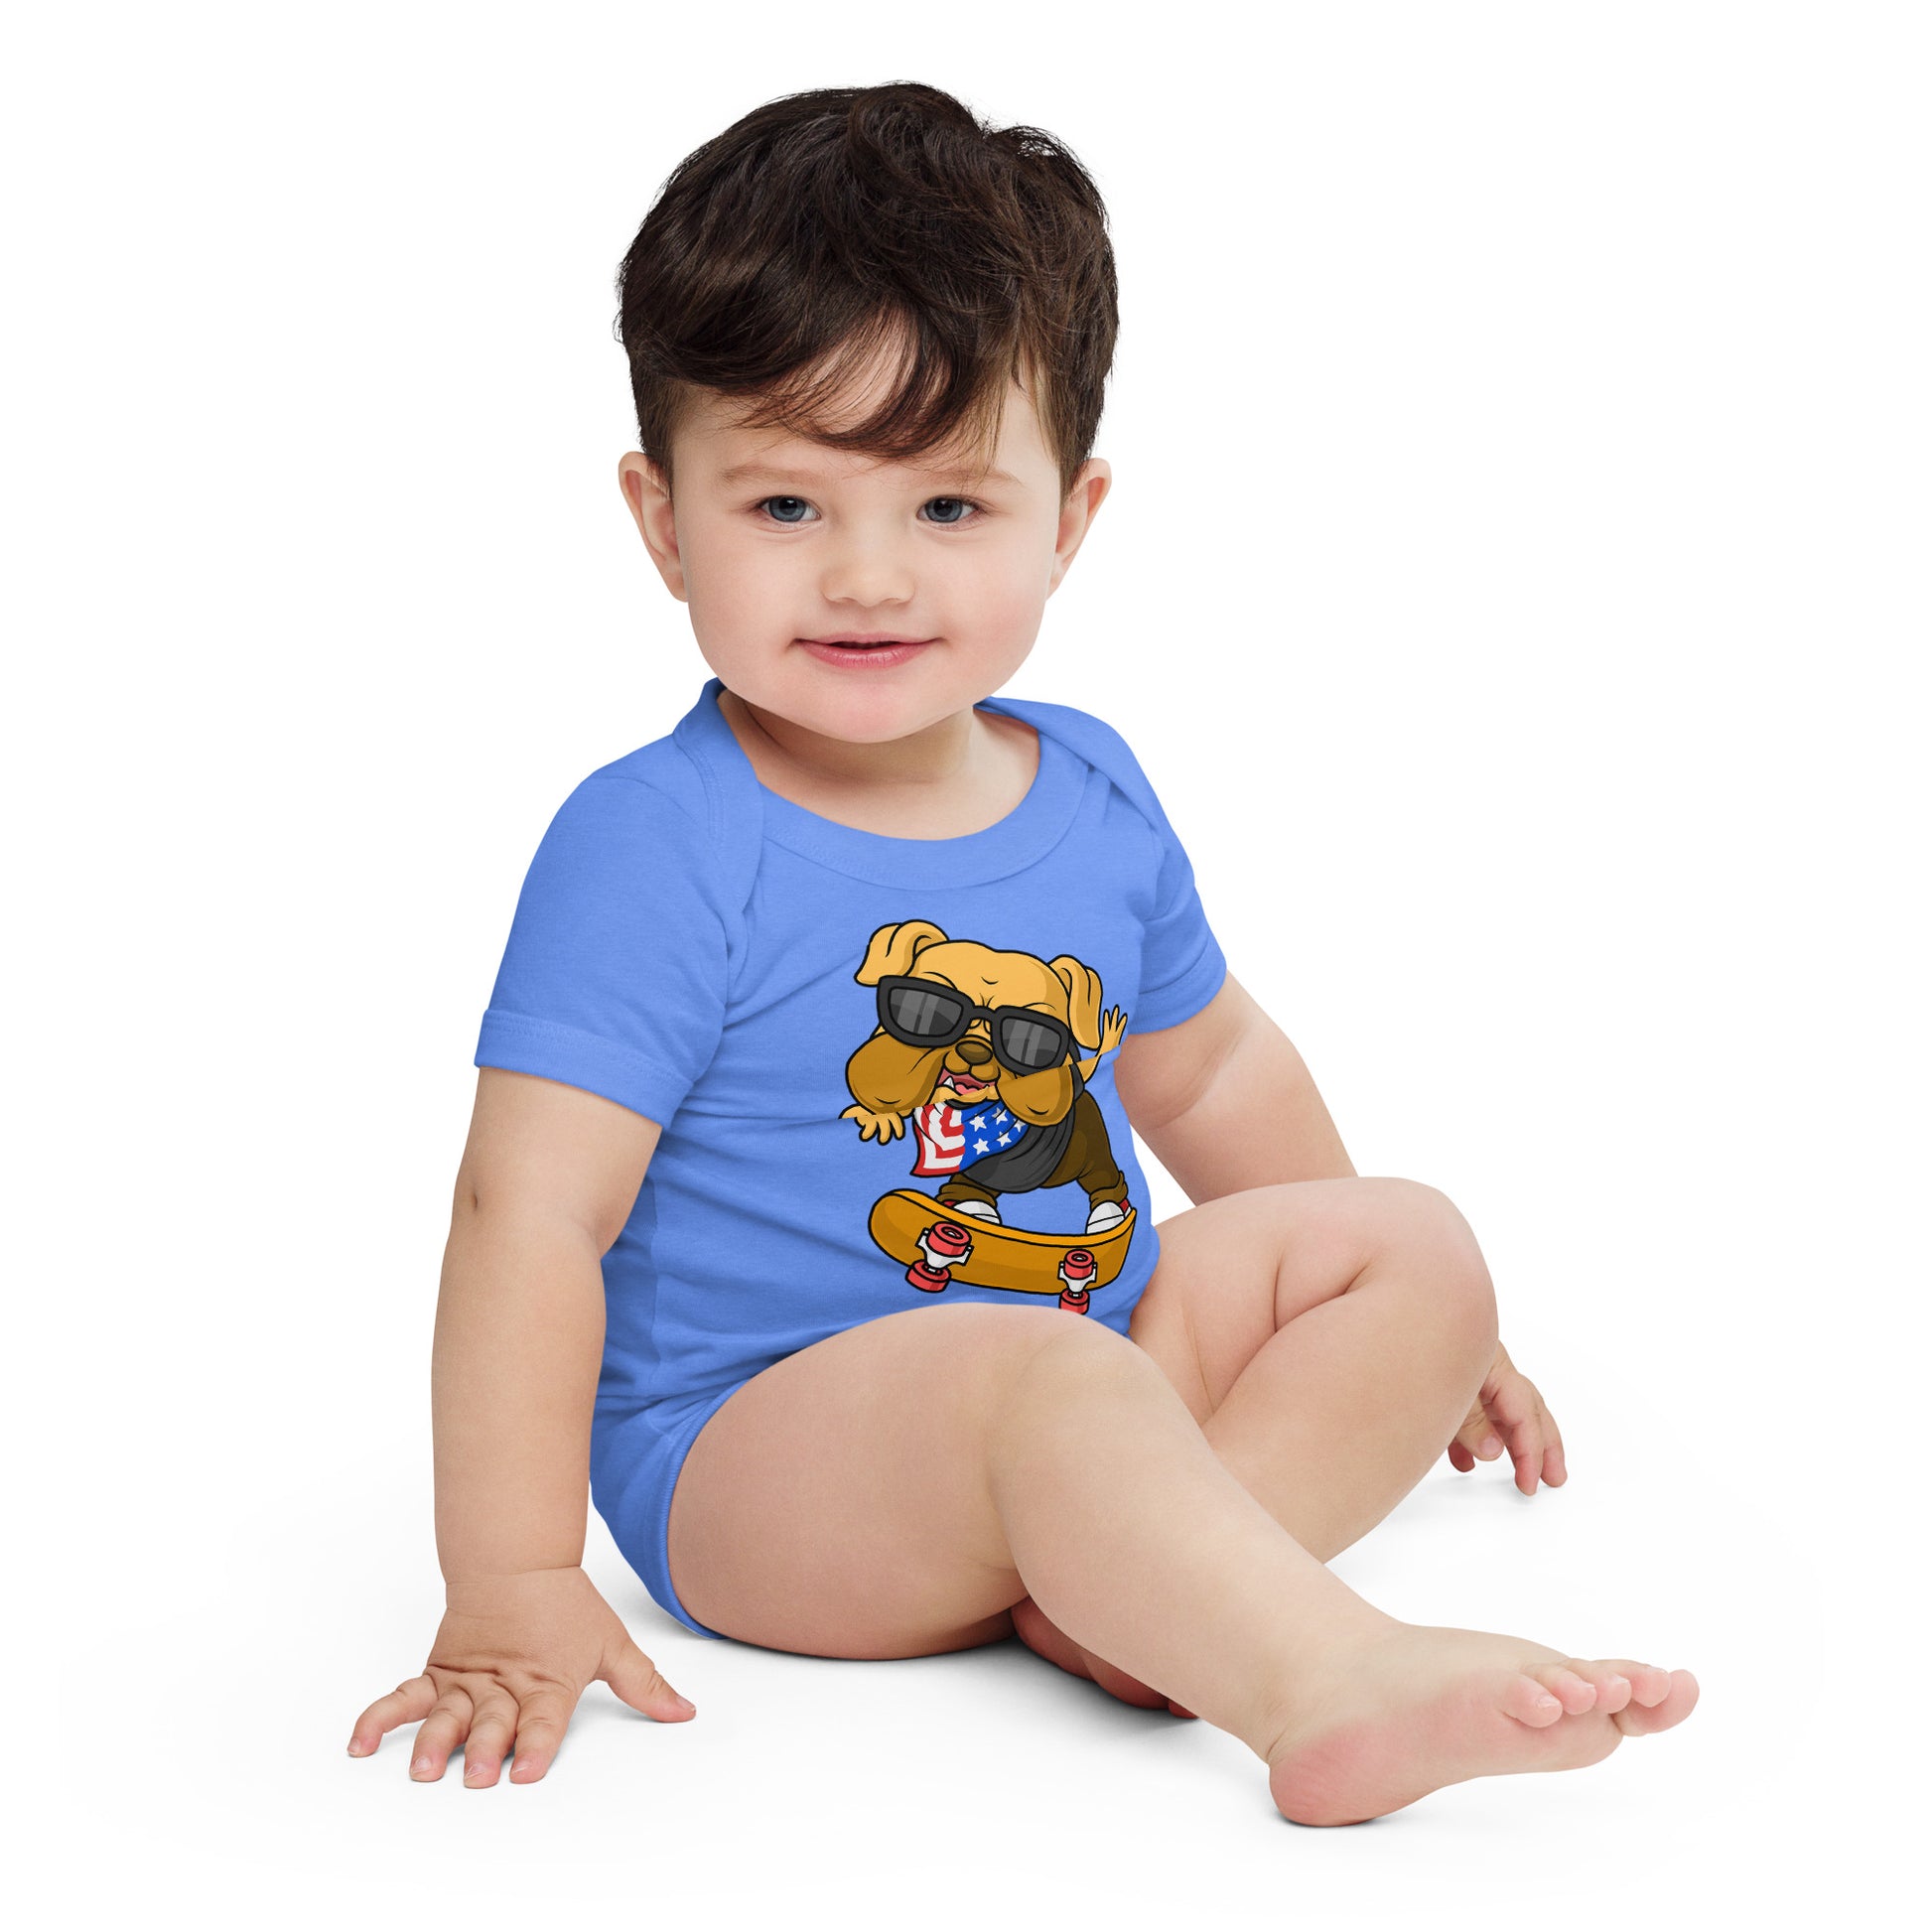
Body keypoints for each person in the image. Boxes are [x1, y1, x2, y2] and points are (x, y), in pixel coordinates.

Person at [345, 81, 1697, 1827]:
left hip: (1076, 1356)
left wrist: (1431, 1343)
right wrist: (515, 1576)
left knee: (1411, 1243)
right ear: (663, 519)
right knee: (1034, 1365)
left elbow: (1213, 1069)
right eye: (785, 506)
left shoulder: (1093, 790)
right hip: (761, 1463)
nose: (866, 576)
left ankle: (1140, 1603)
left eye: (948, 509)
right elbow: (526, 1213)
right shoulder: (657, 839)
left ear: (1069, 519)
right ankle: (1318, 1679)